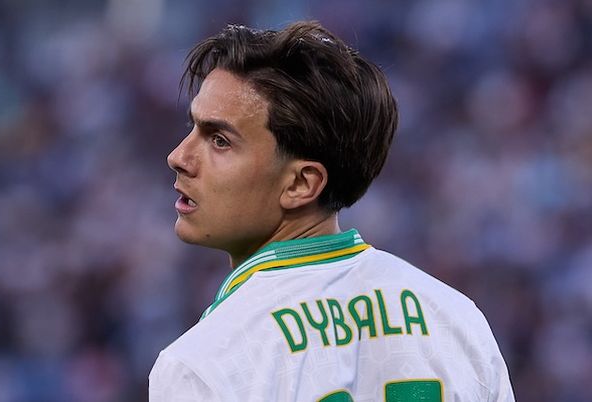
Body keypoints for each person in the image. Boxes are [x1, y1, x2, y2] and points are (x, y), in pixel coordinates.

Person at [149, 21, 515, 401]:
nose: (178, 156)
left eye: (220, 140)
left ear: (301, 184)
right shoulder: (457, 320)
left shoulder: (201, 365)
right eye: (192, 127)